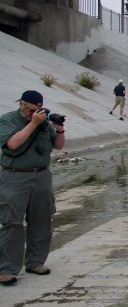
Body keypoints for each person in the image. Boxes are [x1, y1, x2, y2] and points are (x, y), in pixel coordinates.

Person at [0, 90, 65, 286]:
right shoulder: (7, 120)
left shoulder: (44, 122)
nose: (33, 112)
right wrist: (33, 124)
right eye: (30, 109)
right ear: (22, 104)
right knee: (12, 221)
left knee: (42, 220)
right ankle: (8, 269)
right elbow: (12, 143)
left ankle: (35, 262)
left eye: (37, 109)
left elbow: (59, 146)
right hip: (15, 176)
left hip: (42, 175)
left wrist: (59, 128)